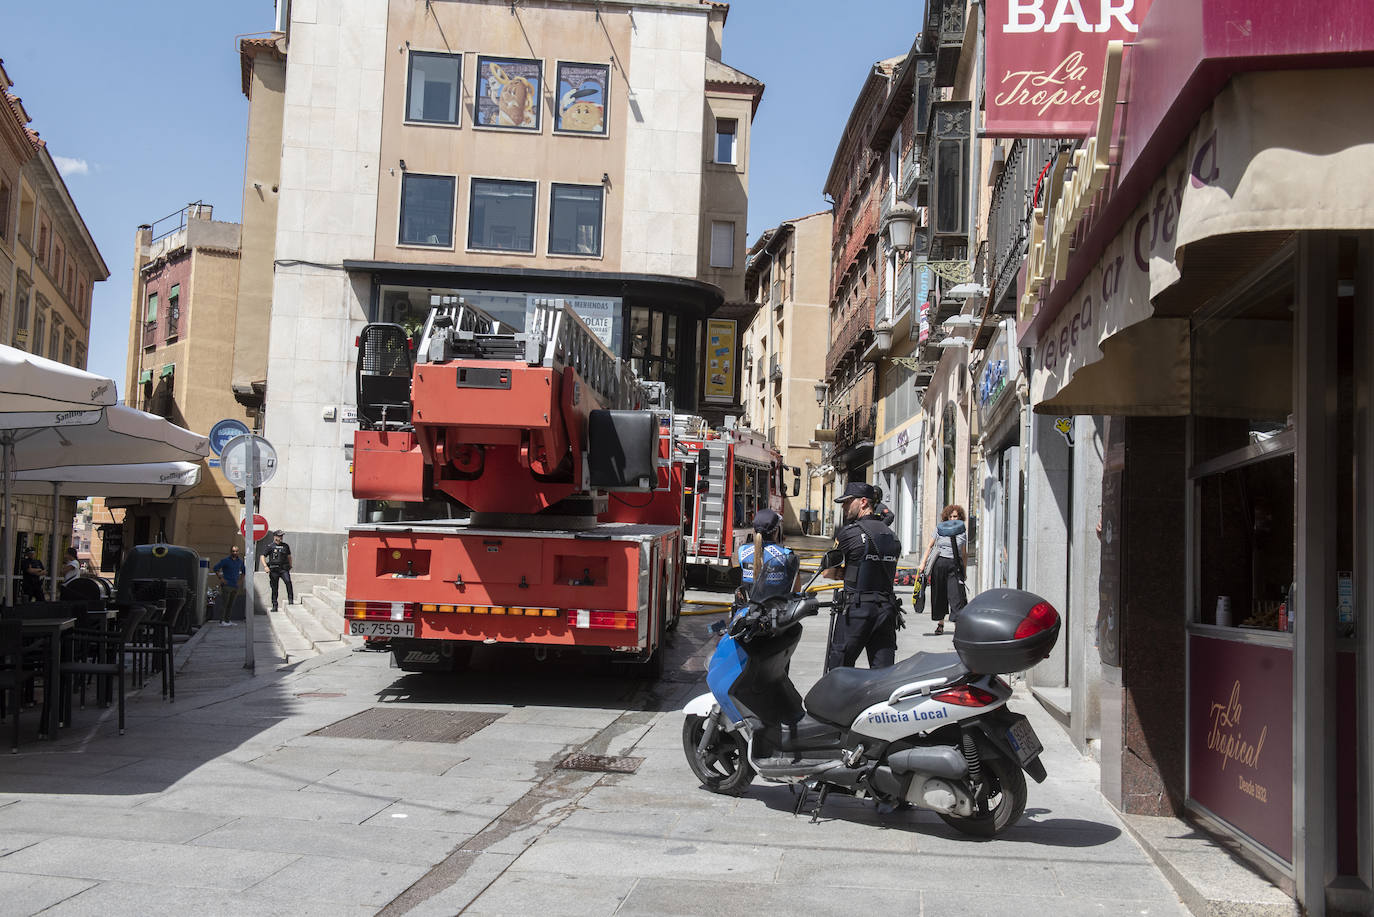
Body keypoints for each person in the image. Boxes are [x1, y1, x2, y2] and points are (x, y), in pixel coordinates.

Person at [821, 481, 903, 672]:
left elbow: (827, 571)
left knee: (839, 671)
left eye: (848, 502)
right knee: (882, 674)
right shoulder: (892, 536)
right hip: (886, 611)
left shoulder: (849, 533)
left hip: (857, 611)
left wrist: (846, 572)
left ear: (864, 502)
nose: (844, 506)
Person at [920, 504, 969, 635]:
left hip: (955, 564)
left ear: (960, 517)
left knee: (956, 595)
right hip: (940, 563)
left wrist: (964, 570)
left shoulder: (962, 531)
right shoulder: (939, 529)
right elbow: (930, 546)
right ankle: (940, 624)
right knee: (939, 594)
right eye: (951, 516)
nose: (953, 519)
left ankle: (958, 625)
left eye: (956, 516)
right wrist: (923, 564)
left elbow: (964, 553)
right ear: (946, 517)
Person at [734, 508, 801, 602]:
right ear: (776, 531)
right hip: (778, 610)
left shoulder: (743, 551)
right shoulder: (786, 553)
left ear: (754, 530)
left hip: (751, 608)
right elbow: (796, 589)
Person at [212, 545, 246, 624]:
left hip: (235, 585)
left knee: (231, 604)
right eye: (233, 551)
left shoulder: (240, 561)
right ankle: (222, 620)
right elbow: (216, 568)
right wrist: (221, 579)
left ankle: (227, 620)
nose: (235, 553)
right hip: (227, 585)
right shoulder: (225, 560)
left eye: (236, 551)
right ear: (231, 552)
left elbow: (244, 571)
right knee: (225, 603)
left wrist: (240, 581)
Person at [264, 530, 294, 611]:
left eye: (281, 536)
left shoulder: (285, 546)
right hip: (273, 570)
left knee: (288, 582)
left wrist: (290, 565)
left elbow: (289, 556)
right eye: (279, 536)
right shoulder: (270, 546)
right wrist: (265, 566)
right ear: (275, 537)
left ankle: (290, 599)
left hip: (283, 569)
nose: (281, 538)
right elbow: (262, 556)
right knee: (274, 588)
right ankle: (274, 605)